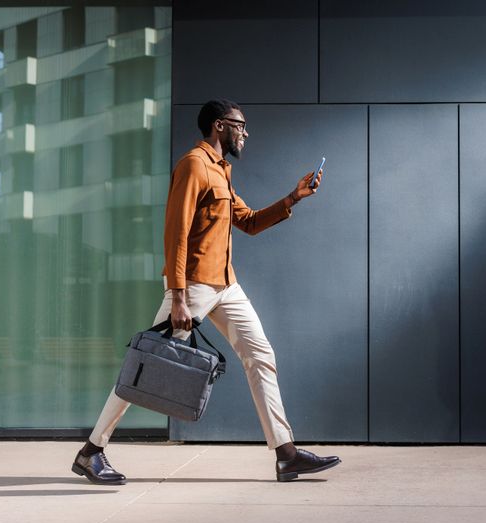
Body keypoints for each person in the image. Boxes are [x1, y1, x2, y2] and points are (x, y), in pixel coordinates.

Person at [72, 99, 340, 484]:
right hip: (194, 286)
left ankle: (286, 454)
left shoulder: (222, 171)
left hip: (226, 286)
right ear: (220, 126)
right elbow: (176, 232)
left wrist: (293, 197)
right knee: (148, 365)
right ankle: (91, 452)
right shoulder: (193, 165)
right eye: (240, 125)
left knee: (260, 356)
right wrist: (178, 295)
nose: (245, 132)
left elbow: (246, 222)